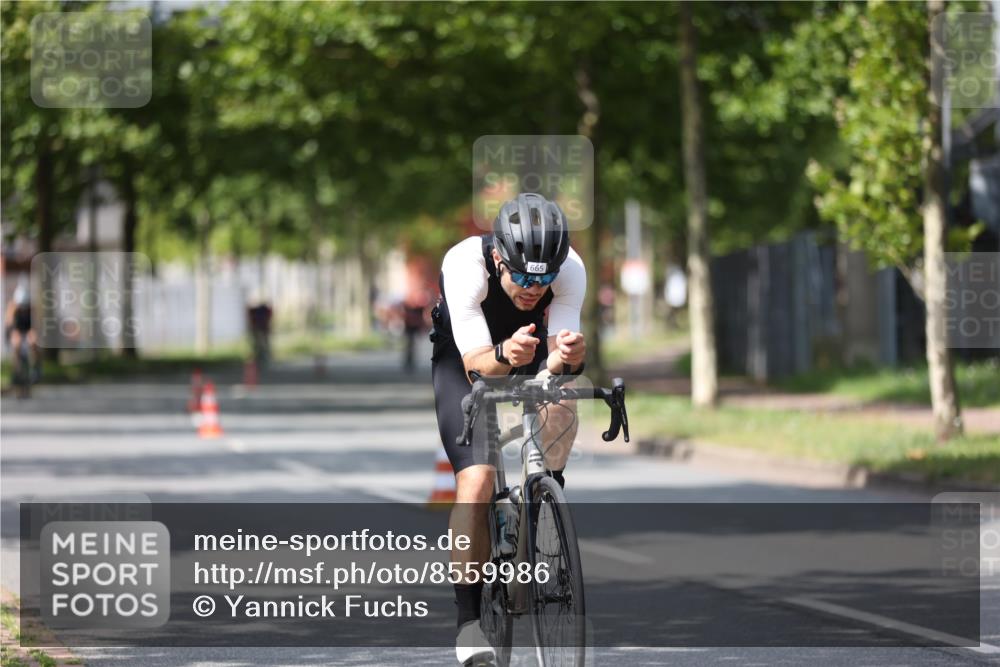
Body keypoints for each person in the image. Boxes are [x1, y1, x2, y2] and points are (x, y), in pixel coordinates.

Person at [429, 193, 586, 665]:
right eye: (519, 276)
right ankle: (469, 623)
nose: (531, 288)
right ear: (498, 258)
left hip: (530, 348)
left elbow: (558, 353)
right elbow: (477, 362)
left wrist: (568, 358)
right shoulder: (464, 264)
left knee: (561, 398)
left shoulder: (570, 268)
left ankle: (543, 497)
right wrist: (503, 355)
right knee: (475, 483)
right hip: (467, 357)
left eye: (542, 279)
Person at [5, 281, 38, 391]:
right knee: (17, 342)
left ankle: (35, 368)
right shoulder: (12, 307)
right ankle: (17, 370)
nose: (23, 308)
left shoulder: (32, 308)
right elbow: (9, 326)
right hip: (17, 331)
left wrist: (33, 334)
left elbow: (36, 324)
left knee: (33, 340)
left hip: (28, 330)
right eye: (21, 306)